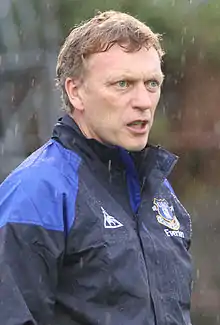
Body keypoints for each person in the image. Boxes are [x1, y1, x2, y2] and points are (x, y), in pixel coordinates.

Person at [0, 10, 192, 325]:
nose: (143, 100)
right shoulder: (36, 192)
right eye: (123, 84)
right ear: (76, 91)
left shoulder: (159, 192)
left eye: (152, 83)